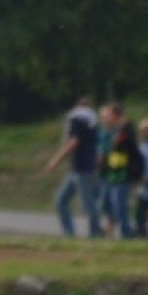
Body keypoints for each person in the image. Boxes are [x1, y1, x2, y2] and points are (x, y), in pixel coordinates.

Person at [44, 97, 101, 238]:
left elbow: (73, 142)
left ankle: (95, 234)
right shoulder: (92, 123)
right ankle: (69, 234)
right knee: (61, 200)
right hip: (80, 168)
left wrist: (55, 160)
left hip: (81, 169)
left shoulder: (77, 119)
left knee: (87, 205)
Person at [98, 102, 140, 239]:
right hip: (112, 171)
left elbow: (127, 147)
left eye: (109, 114)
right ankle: (114, 223)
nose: (107, 117)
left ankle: (127, 232)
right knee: (106, 201)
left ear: (116, 115)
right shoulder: (114, 129)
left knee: (120, 204)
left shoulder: (126, 129)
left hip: (123, 172)